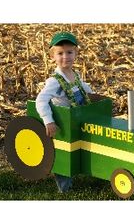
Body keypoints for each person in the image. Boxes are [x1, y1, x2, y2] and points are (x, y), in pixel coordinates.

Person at [35, 32, 93, 193]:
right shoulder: (55, 81)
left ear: (76, 54)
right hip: (63, 122)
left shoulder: (74, 75)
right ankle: (64, 188)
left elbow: (82, 88)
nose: (65, 57)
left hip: (76, 119)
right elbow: (41, 100)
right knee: (63, 153)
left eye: (69, 52)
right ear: (52, 56)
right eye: (60, 53)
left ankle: (79, 171)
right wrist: (49, 120)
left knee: (75, 149)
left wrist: (94, 95)